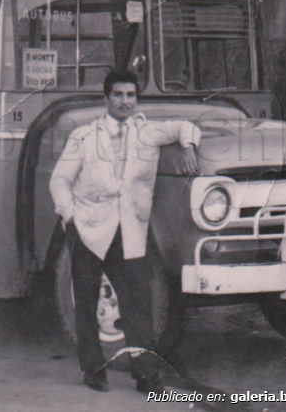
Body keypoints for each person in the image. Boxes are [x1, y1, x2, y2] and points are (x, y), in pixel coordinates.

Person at [49, 70, 200, 394]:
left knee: (139, 307)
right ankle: (93, 370)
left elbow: (185, 126)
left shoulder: (147, 133)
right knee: (86, 304)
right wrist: (70, 216)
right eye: (118, 95)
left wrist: (188, 147)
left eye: (131, 95)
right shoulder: (85, 136)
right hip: (88, 230)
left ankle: (146, 376)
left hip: (129, 232)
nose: (125, 101)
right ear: (106, 99)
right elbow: (59, 181)